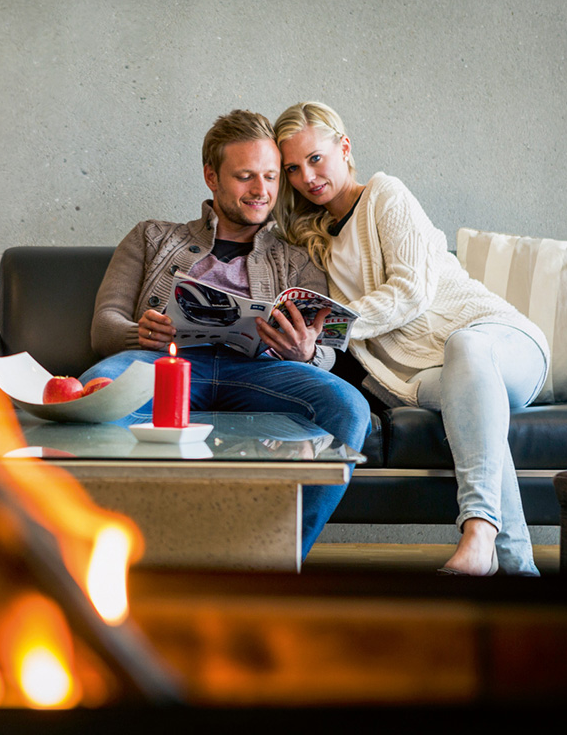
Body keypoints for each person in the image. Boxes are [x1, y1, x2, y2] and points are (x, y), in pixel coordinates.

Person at [273, 101, 550, 577]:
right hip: (425, 379)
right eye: (293, 169)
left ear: (344, 147)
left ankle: (478, 530)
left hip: (502, 343)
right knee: (470, 412)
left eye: (315, 158)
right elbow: (339, 344)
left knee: (465, 345)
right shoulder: (313, 242)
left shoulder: (385, 193)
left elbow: (411, 290)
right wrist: (304, 342)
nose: (307, 177)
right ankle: (518, 569)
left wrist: (334, 324)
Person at [79, 109, 371, 559]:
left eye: (271, 177)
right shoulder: (151, 237)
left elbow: (328, 350)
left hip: (263, 373)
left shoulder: (299, 258)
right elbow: (105, 325)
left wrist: (304, 352)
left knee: (348, 407)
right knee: (95, 391)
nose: (261, 190)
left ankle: (278, 557)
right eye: (245, 176)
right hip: (167, 363)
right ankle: (113, 553)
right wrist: (140, 333)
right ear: (211, 177)